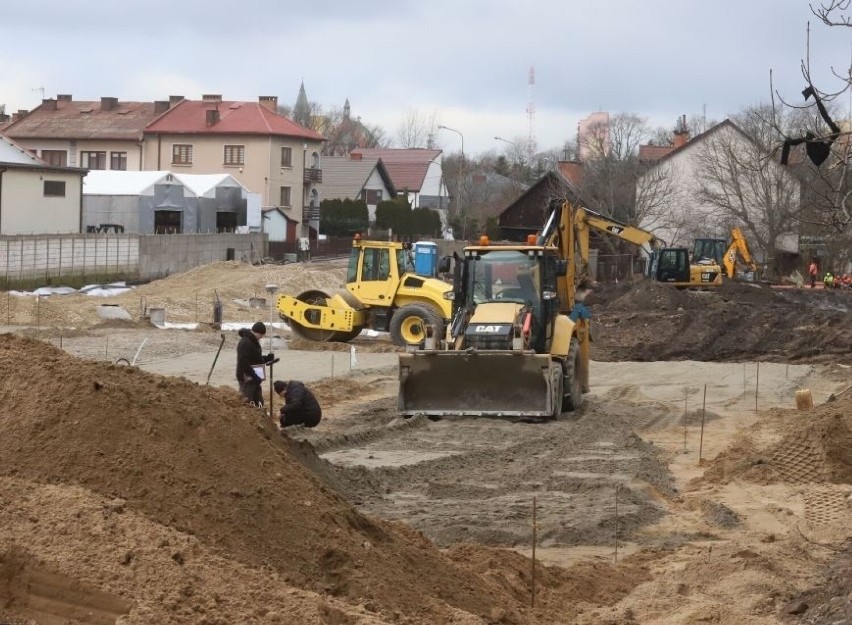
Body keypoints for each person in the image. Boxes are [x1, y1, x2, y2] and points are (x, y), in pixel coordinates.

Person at [235, 321, 274, 406]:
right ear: (258, 333)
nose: (261, 338)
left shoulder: (253, 342)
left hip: (255, 377)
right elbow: (244, 363)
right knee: (246, 401)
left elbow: (255, 358)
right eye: (261, 335)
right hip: (248, 377)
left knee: (258, 402)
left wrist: (267, 358)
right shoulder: (246, 342)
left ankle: (260, 417)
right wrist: (254, 376)